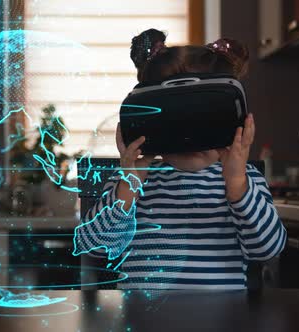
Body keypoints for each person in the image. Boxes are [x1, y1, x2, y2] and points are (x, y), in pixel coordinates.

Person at [74, 29, 286, 290]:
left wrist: (237, 183)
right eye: (175, 118)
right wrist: (129, 186)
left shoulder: (244, 179)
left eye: (205, 117)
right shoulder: (133, 180)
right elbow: (95, 247)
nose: (190, 135)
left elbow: (267, 250)